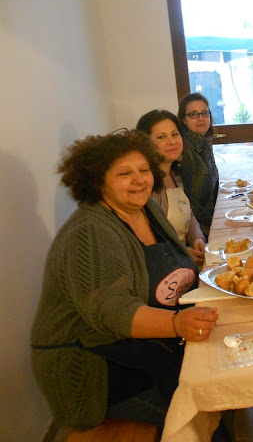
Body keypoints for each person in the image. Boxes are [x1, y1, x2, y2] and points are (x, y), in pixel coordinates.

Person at [31, 130, 219, 432]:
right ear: (98, 181)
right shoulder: (91, 232)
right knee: (203, 406)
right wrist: (176, 323)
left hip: (148, 348)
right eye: (124, 173)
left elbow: (156, 261)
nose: (139, 180)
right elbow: (113, 311)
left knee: (220, 371)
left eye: (144, 170)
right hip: (99, 370)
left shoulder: (147, 209)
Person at [137, 109, 207, 265]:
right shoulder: (145, 187)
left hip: (187, 259)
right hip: (167, 268)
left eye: (175, 134)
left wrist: (197, 238)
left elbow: (188, 215)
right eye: (161, 137)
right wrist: (180, 255)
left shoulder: (175, 175)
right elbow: (148, 245)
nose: (172, 141)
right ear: (145, 144)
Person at [177, 92, 221, 236]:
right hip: (195, 229)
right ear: (183, 120)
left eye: (204, 113)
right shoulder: (182, 149)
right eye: (193, 114)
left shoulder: (204, 144)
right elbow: (190, 200)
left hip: (210, 219)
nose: (201, 118)